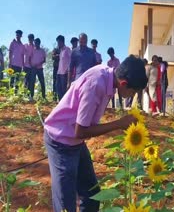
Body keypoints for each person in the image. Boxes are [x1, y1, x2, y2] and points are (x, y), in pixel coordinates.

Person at [43, 55, 148, 212]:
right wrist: (119, 124)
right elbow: (81, 131)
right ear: (124, 83)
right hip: (61, 141)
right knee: (65, 204)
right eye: (133, 92)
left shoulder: (108, 78)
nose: (132, 97)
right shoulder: (96, 84)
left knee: (92, 195)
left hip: (75, 143)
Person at [56, 35, 72, 101]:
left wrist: (68, 70)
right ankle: (60, 102)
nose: (58, 44)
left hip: (65, 73)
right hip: (59, 72)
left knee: (64, 89)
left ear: (62, 42)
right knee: (58, 88)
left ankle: (65, 103)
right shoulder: (61, 51)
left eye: (59, 42)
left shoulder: (67, 49)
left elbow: (71, 59)